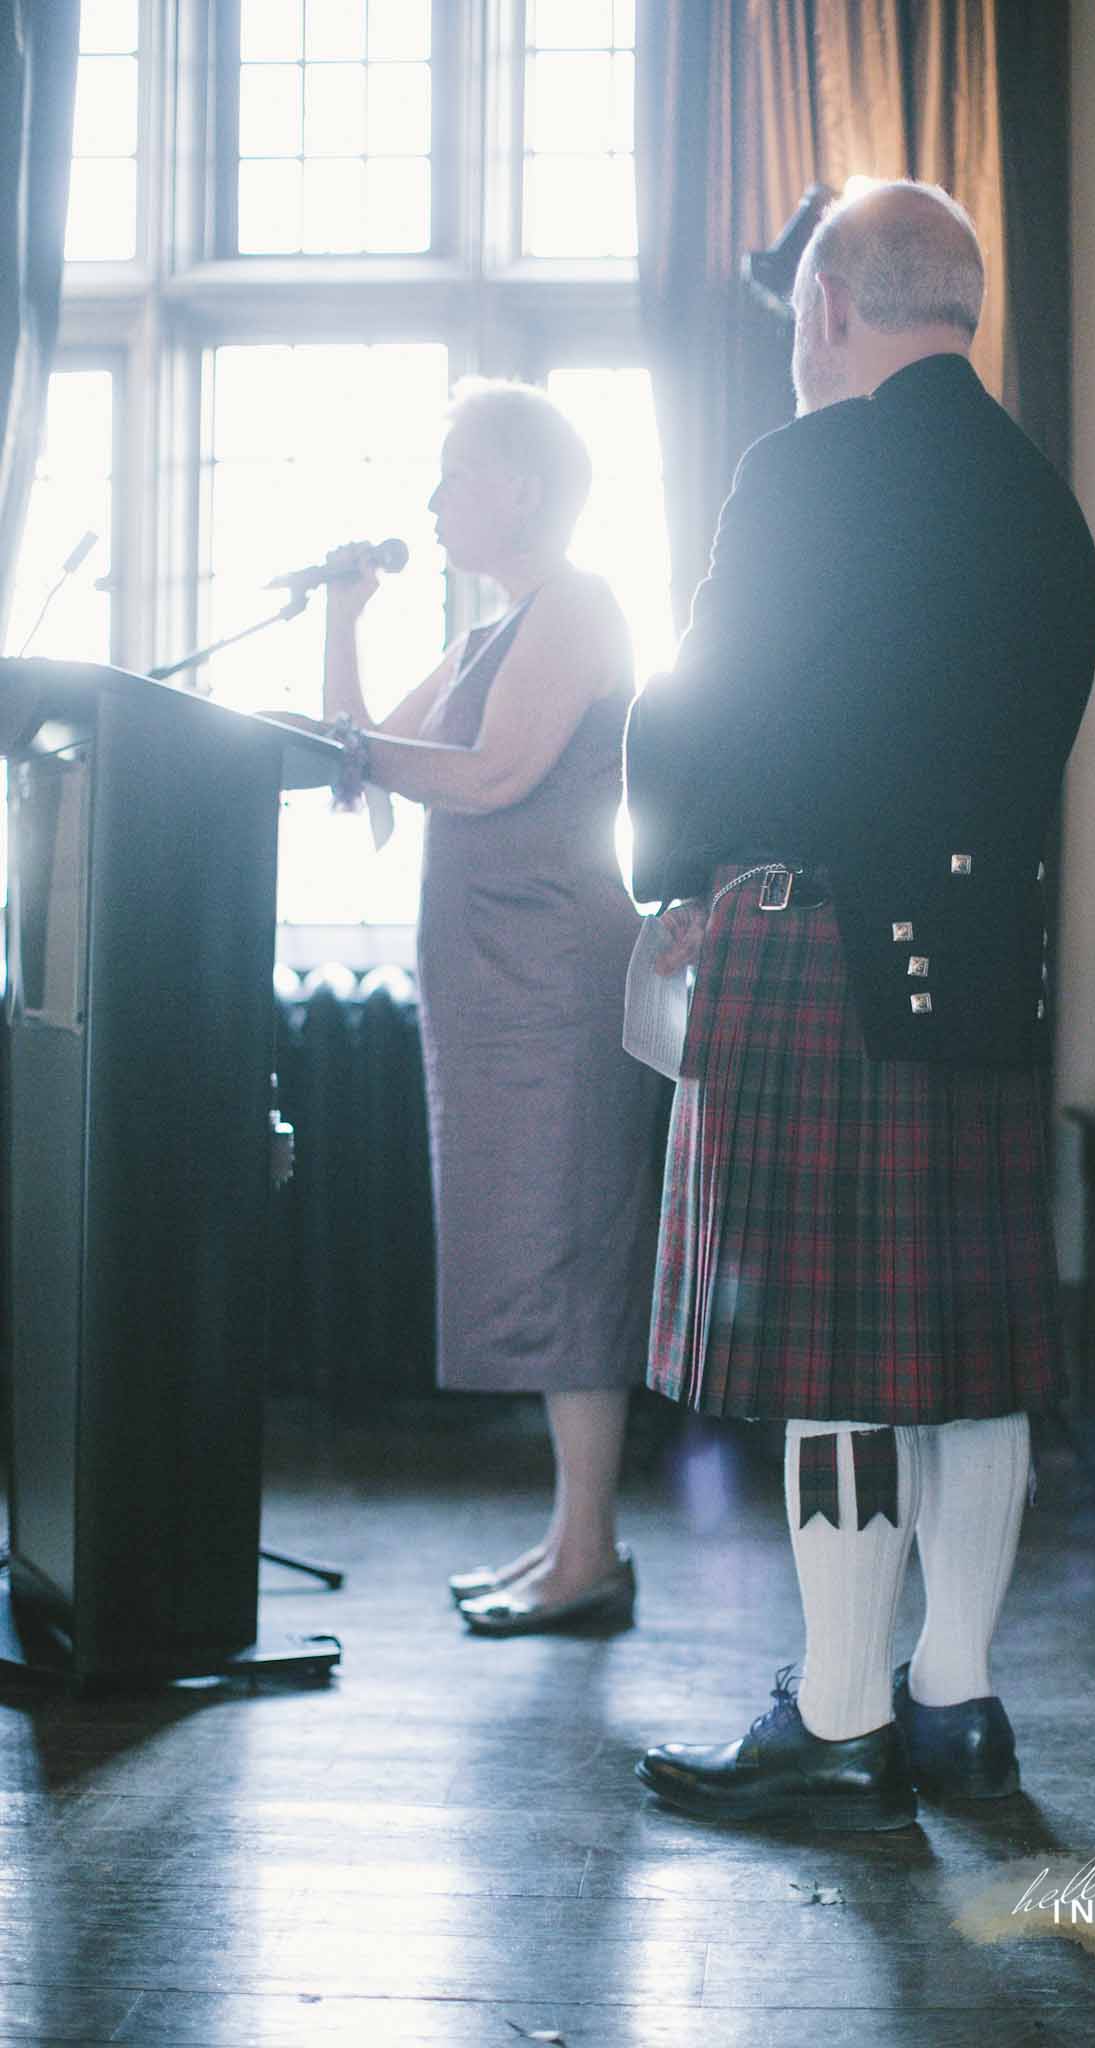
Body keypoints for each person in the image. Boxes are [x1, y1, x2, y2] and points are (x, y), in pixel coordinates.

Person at [624, 181, 1095, 1828]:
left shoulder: (805, 471)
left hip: (811, 940)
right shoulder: (1042, 502)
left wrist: (671, 864)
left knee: (838, 1351)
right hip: (985, 965)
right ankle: (957, 1701)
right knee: (971, 1354)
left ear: (830, 301)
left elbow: (706, 694)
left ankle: (836, 1711)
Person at [317, 378, 663, 1637]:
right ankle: (572, 1537)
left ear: (521, 485)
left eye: (452, 470)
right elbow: (362, 778)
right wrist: (342, 622)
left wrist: (354, 749)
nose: (432, 497)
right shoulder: (483, 637)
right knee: (527, 1254)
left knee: (570, 1256)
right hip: (487, 987)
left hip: (559, 979)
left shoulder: (581, 605)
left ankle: (593, 1554)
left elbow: (499, 771)